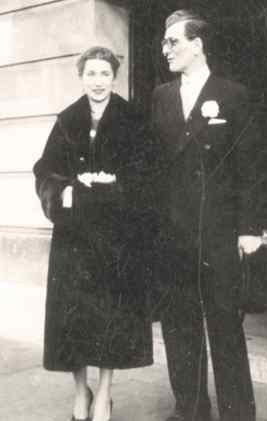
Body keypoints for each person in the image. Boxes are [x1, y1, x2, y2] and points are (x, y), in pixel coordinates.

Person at [151, 9, 267, 421]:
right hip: (174, 231)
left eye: (173, 42)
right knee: (179, 324)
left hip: (220, 231)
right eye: (164, 42)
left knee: (224, 324)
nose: (165, 49)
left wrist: (250, 229)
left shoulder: (232, 94)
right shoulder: (161, 96)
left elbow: (250, 168)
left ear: (197, 45)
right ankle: (189, 409)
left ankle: (237, 412)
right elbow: (154, 167)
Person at [33, 46, 154, 421]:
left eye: (104, 74)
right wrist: (69, 186)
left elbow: (148, 173)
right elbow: (44, 171)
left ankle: (103, 394)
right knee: (72, 321)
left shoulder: (133, 118)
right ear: (81, 77)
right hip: (74, 239)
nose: (97, 81)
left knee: (110, 320)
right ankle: (80, 392)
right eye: (91, 74)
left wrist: (114, 184)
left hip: (117, 238)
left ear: (114, 77)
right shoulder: (67, 120)